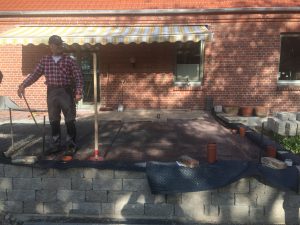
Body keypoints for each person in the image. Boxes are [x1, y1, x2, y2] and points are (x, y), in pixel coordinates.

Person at [17, 35, 83, 155]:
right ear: (51, 46)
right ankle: (56, 145)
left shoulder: (69, 60)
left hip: (65, 92)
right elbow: (34, 74)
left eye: (61, 44)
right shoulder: (45, 60)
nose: (60, 46)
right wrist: (23, 85)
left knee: (70, 119)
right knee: (53, 119)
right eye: (57, 44)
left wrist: (78, 92)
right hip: (51, 92)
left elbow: (78, 77)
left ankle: (71, 145)